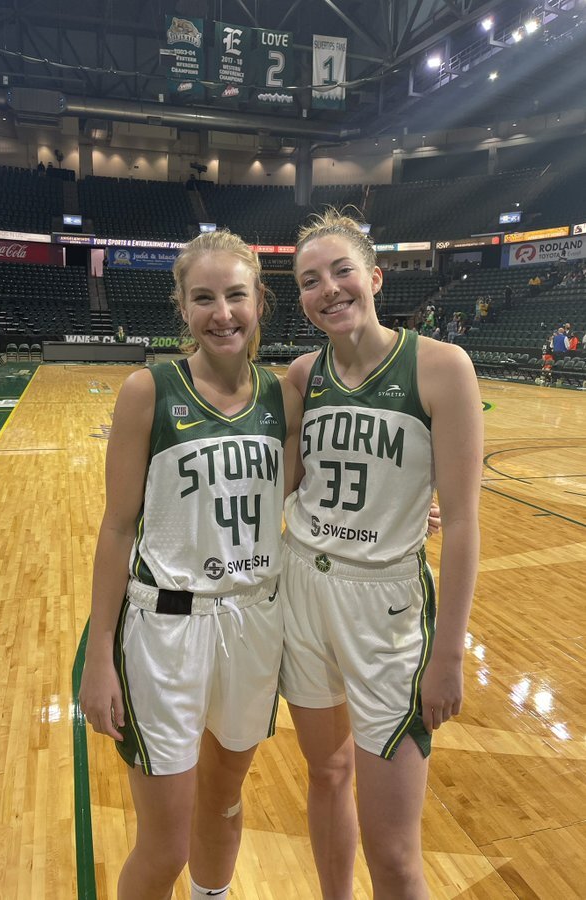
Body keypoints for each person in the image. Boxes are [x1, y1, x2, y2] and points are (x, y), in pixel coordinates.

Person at [79, 229, 303, 900]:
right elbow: (117, 528)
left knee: (225, 803)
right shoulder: (147, 390)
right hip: (167, 632)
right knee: (165, 843)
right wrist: (98, 657)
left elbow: (312, 491)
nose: (222, 313)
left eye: (236, 295)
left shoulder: (283, 399)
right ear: (182, 307)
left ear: (259, 301)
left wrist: (412, 510)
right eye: (203, 298)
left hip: (253, 625)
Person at [279, 209, 483, 900]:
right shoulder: (302, 376)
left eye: (341, 271)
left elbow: (462, 522)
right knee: (326, 773)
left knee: (394, 854)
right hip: (302, 590)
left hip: (387, 609)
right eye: (310, 280)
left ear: (373, 277)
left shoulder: (441, 367)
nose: (328, 289)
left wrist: (448, 654)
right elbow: (280, 483)